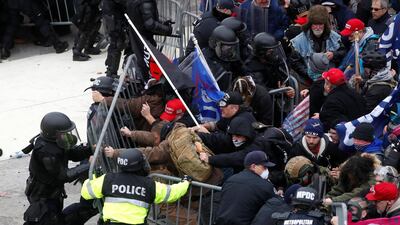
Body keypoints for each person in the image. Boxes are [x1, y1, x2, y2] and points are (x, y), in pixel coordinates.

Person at [81, 148, 191, 224]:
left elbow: (86, 192)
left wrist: (95, 176)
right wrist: (186, 182)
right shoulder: (148, 184)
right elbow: (172, 193)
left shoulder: (108, 179)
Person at [23, 112, 92, 225]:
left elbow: (73, 154)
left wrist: (90, 149)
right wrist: (88, 165)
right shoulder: (46, 152)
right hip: (43, 197)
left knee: (56, 218)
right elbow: (64, 176)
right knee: (46, 220)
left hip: (54, 193)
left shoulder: (58, 141)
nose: (67, 135)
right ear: (53, 135)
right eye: (64, 133)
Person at [214, 151, 276, 225]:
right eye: (264, 167)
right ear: (253, 166)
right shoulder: (265, 186)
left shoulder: (231, 179)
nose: (267, 170)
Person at [1, 0, 68, 59]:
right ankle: (57, 44)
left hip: (11, 3)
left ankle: (4, 48)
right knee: (41, 22)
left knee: (12, 25)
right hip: (26, 2)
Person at [318, 68, 367, 132]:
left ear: (328, 85)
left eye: (325, 83)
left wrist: (321, 115)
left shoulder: (331, 102)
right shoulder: (356, 95)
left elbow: (332, 125)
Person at [202, 25, 243, 91]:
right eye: (226, 47)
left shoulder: (231, 57)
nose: (230, 51)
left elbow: (243, 71)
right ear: (215, 44)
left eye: (232, 47)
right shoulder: (205, 58)